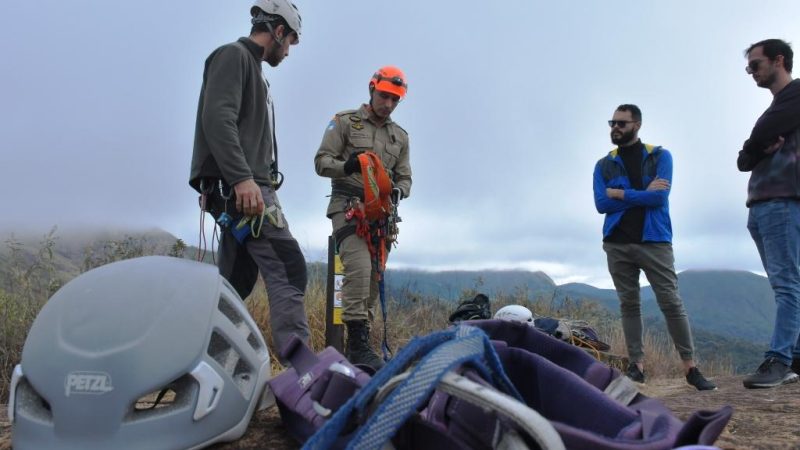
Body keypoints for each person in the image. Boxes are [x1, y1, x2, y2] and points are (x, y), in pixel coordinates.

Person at [189, 0, 310, 357]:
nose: (288, 50)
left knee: (234, 283)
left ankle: (206, 361)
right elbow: (218, 118)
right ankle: (303, 372)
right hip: (245, 189)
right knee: (288, 266)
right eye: (290, 41)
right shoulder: (234, 56)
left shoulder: (253, 68)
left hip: (238, 188)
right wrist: (241, 178)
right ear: (278, 31)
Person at [593, 104, 716, 391]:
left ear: (636, 125)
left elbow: (659, 199)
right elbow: (601, 203)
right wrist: (641, 194)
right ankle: (636, 367)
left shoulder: (660, 156)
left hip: (654, 241)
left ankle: (690, 368)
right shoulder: (604, 164)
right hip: (617, 243)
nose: (615, 127)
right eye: (612, 122)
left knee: (671, 302)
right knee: (629, 304)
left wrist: (620, 194)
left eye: (621, 123)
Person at [314, 66, 412, 371]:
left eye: (395, 99)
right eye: (384, 96)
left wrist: (396, 191)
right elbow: (321, 162)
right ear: (372, 89)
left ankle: (359, 349)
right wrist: (349, 166)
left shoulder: (400, 136)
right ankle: (357, 346)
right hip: (348, 207)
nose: (389, 104)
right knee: (358, 269)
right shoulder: (345, 122)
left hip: (381, 215)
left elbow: (406, 178)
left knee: (372, 281)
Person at [738, 39, 800, 389]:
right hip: (762, 203)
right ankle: (795, 354)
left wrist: (755, 147)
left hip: (782, 201)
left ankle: (779, 360)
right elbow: (742, 160)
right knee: (787, 282)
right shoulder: (777, 107)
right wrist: (756, 150)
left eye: (755, 65)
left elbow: (758, 137)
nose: (751, 72)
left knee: (787, 283)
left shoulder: (796, 94)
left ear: (779, 60)